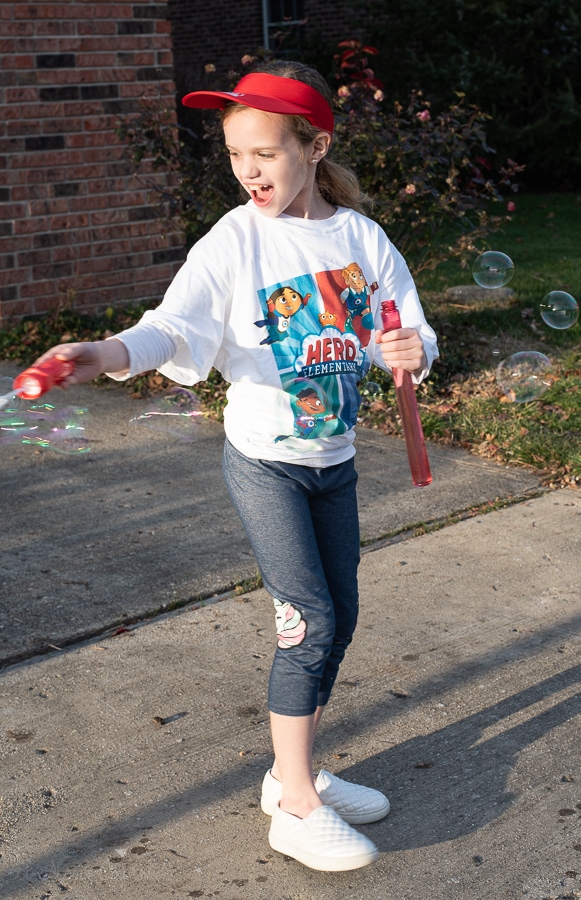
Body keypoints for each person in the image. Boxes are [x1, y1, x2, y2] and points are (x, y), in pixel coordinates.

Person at [35, 60, 439, 872]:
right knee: (308, 623)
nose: (248, 170)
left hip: (334, 461)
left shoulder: (360, 239)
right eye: (233, 155)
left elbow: (407, 332)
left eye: (265, 152)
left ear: (315, 145)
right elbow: (172, 327)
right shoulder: (235, 238)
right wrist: (105, 352)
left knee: (340, 620)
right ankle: (294, 804)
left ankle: (298, 770)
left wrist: (409, 349)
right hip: (266, 466)